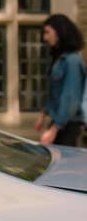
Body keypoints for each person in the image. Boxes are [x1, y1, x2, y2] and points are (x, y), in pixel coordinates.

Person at [34, 14, 86, 146]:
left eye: (47, 32)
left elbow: (70, 97)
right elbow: (55, 93)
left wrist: (55, 128)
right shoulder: (60, 59)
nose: (45, 38)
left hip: (69, 125)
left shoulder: (72, 61)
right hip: (61, 123)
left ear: (60, 32)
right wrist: (44, 113)